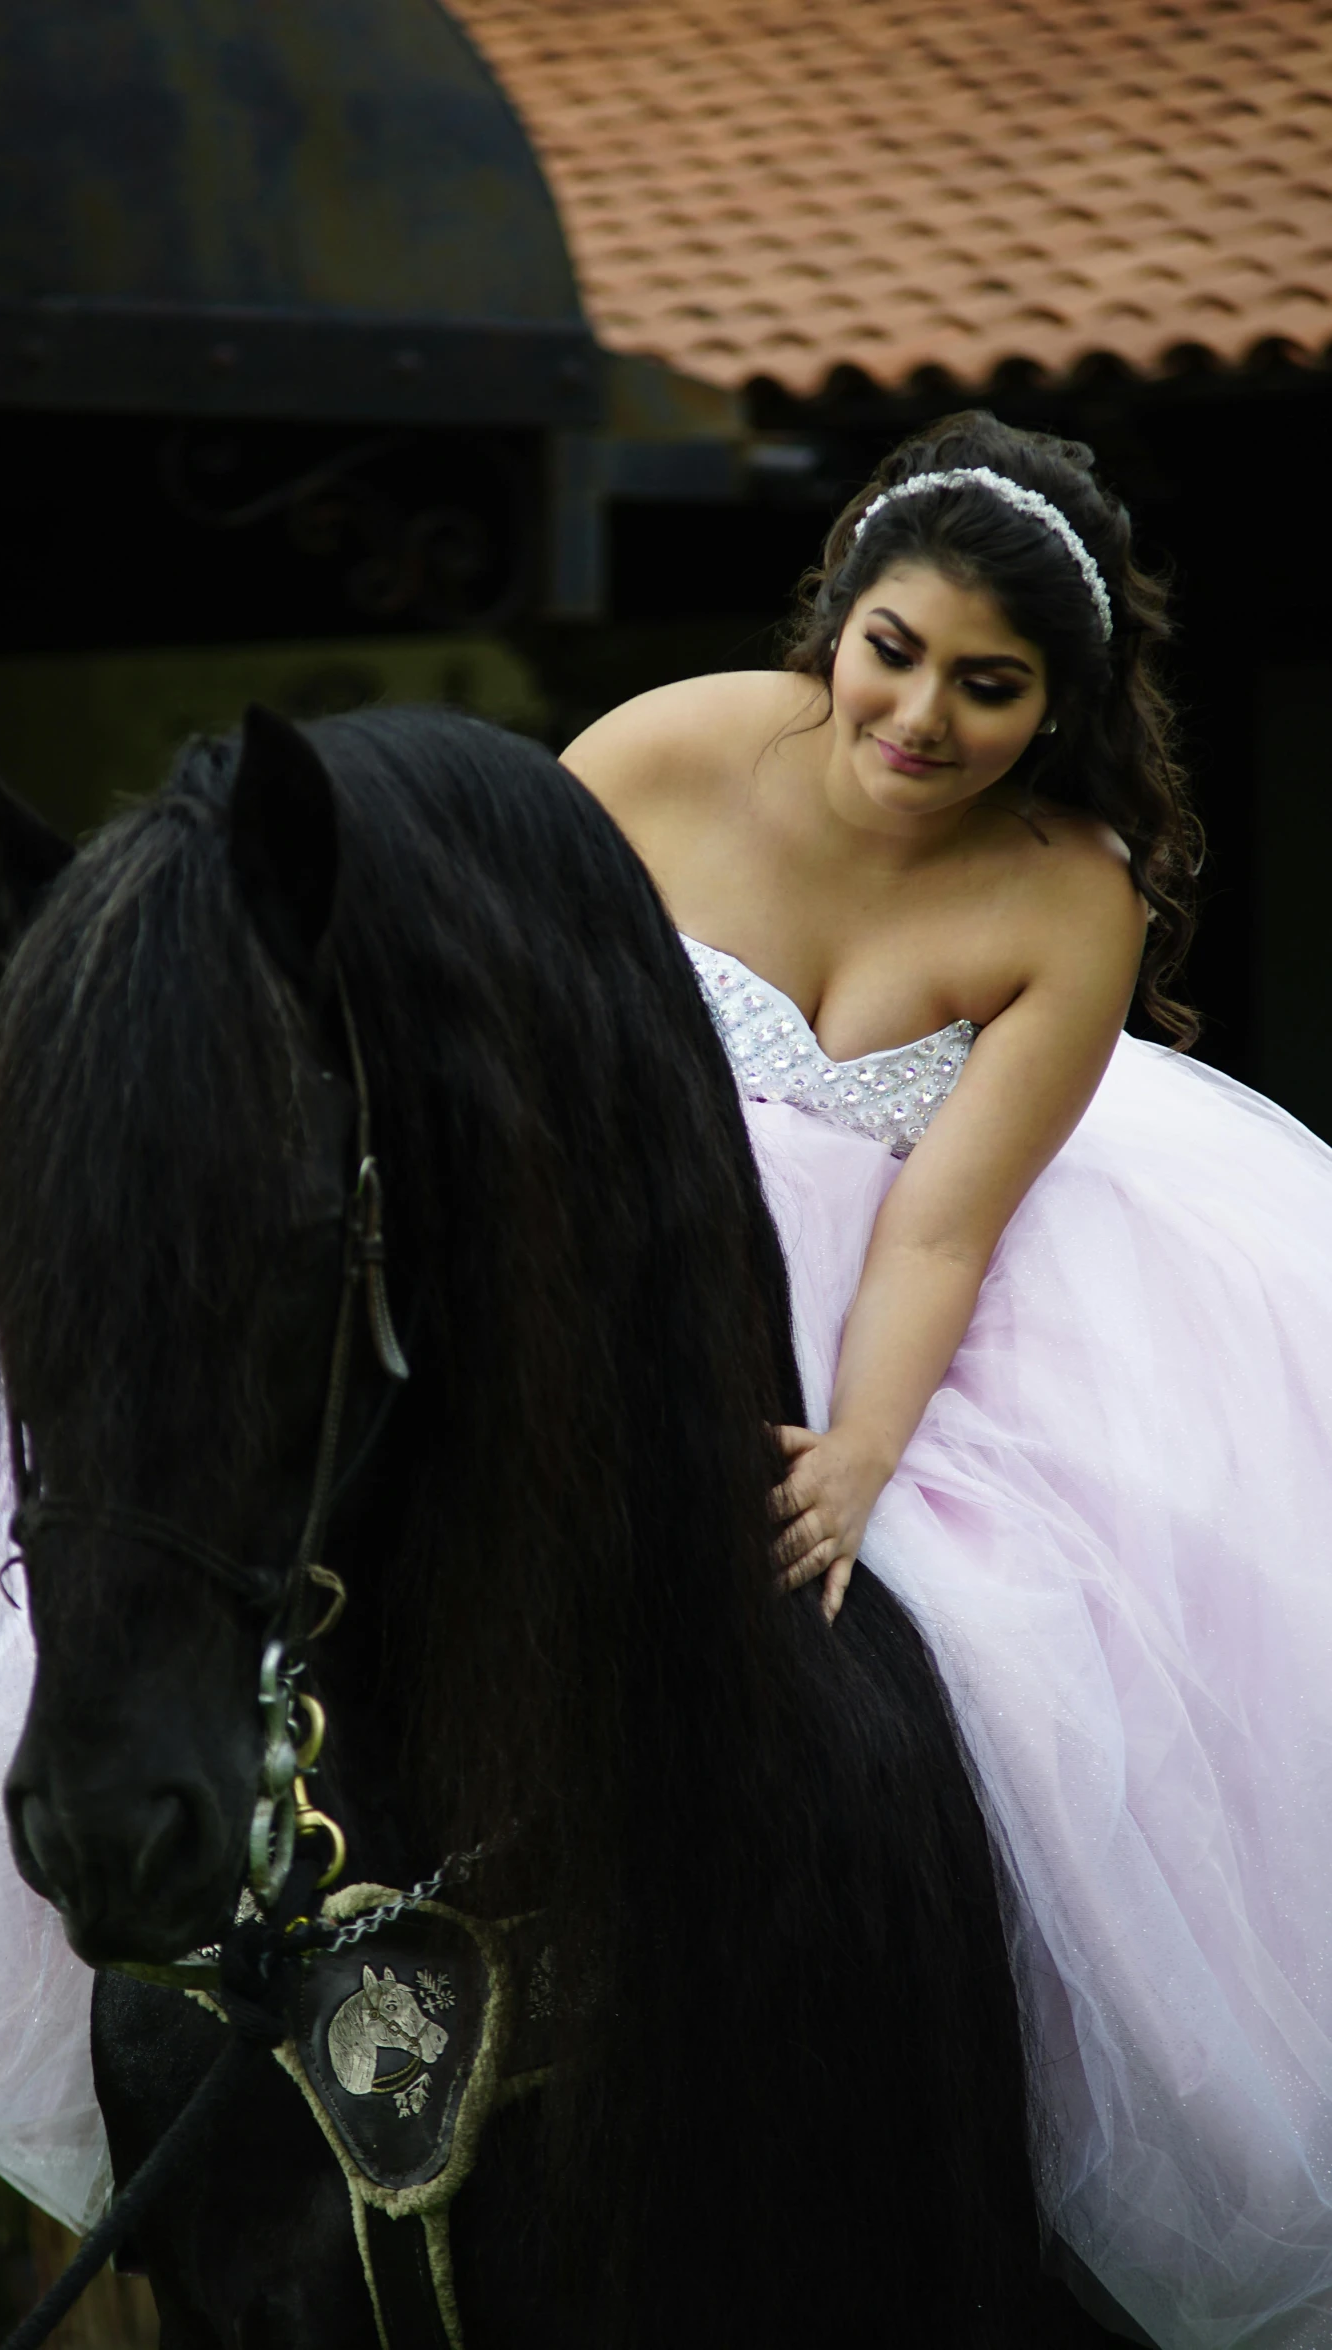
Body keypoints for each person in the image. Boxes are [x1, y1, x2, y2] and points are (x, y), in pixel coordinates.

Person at [561, 409, 1332, 2350]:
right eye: (893, 649)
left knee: (1013, 1702)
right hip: (609, 1260)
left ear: (1056, 708)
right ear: (840, 614)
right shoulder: (656, 750)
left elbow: (938, 1231)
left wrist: (862, 1454)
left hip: (913, 1331)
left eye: (990, 688)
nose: (920, 715)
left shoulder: (1069, 889)